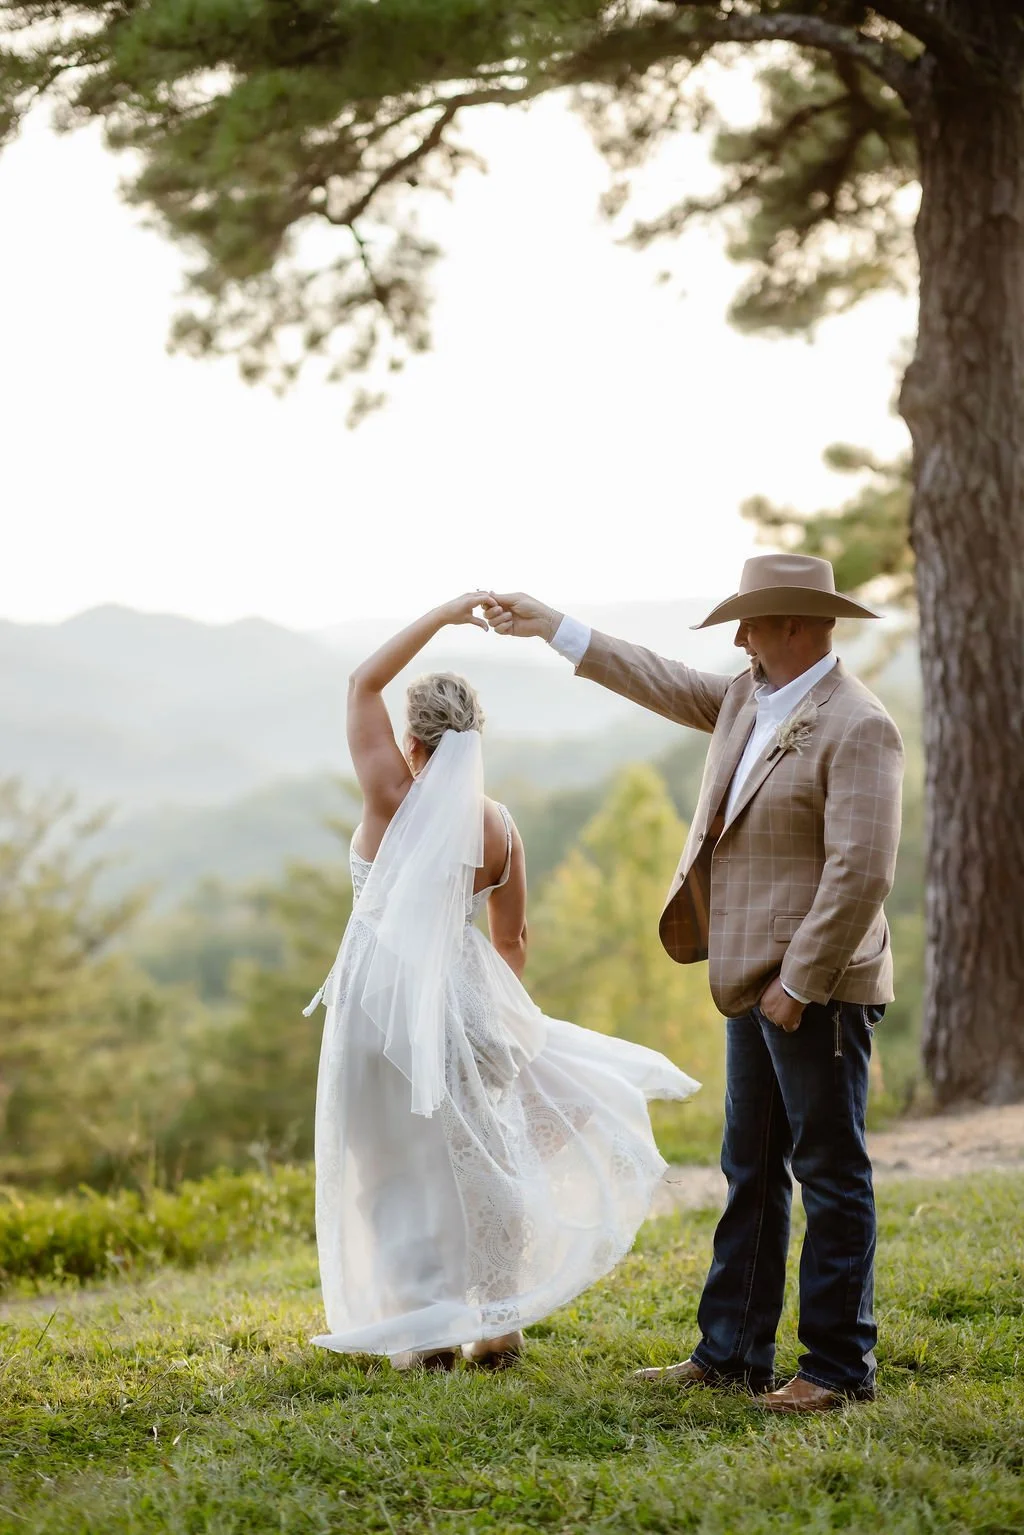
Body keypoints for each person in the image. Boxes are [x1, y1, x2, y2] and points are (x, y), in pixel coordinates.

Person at [483, 555, 904, 1413]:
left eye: (748, 621)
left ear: (791, 623)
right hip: (748, 980)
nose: (738, 638)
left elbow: (862, 871)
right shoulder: (750, 698)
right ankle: (733, 1352)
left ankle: (835, 1370)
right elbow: (660, 677)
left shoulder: (860, 726)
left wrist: (800, 980)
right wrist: (552, 624)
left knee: (829, 1171)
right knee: (749, 1163)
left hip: (815, 987)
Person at [305, 592, 699, 1372]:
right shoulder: (499, 826)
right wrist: (483, 1012)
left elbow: (360, 683)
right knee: (477, 1157)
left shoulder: (391, 797)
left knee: (391, 1165)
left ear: (412, 741)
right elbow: (512, 941)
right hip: (463, 1002)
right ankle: (498, 1322)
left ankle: (425, 1331)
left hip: (378, 1008)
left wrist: (443, 614)